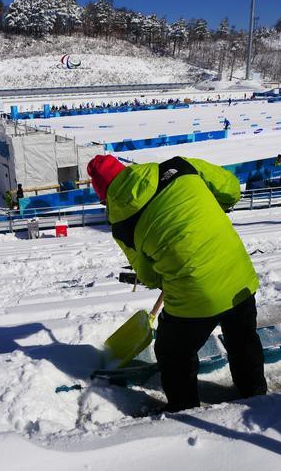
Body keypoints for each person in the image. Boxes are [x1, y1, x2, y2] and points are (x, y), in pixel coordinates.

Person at [87, 154, 267, 412]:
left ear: (104, 196)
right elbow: (230, 188)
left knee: (173, 353)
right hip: (239, 278)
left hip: (193, 298)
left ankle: (185, 410)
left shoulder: (122, 225)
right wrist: (216, 205)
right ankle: (256, 394)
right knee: (242, 336)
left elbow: (148, 276)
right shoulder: (180, 166)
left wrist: (172, 273)